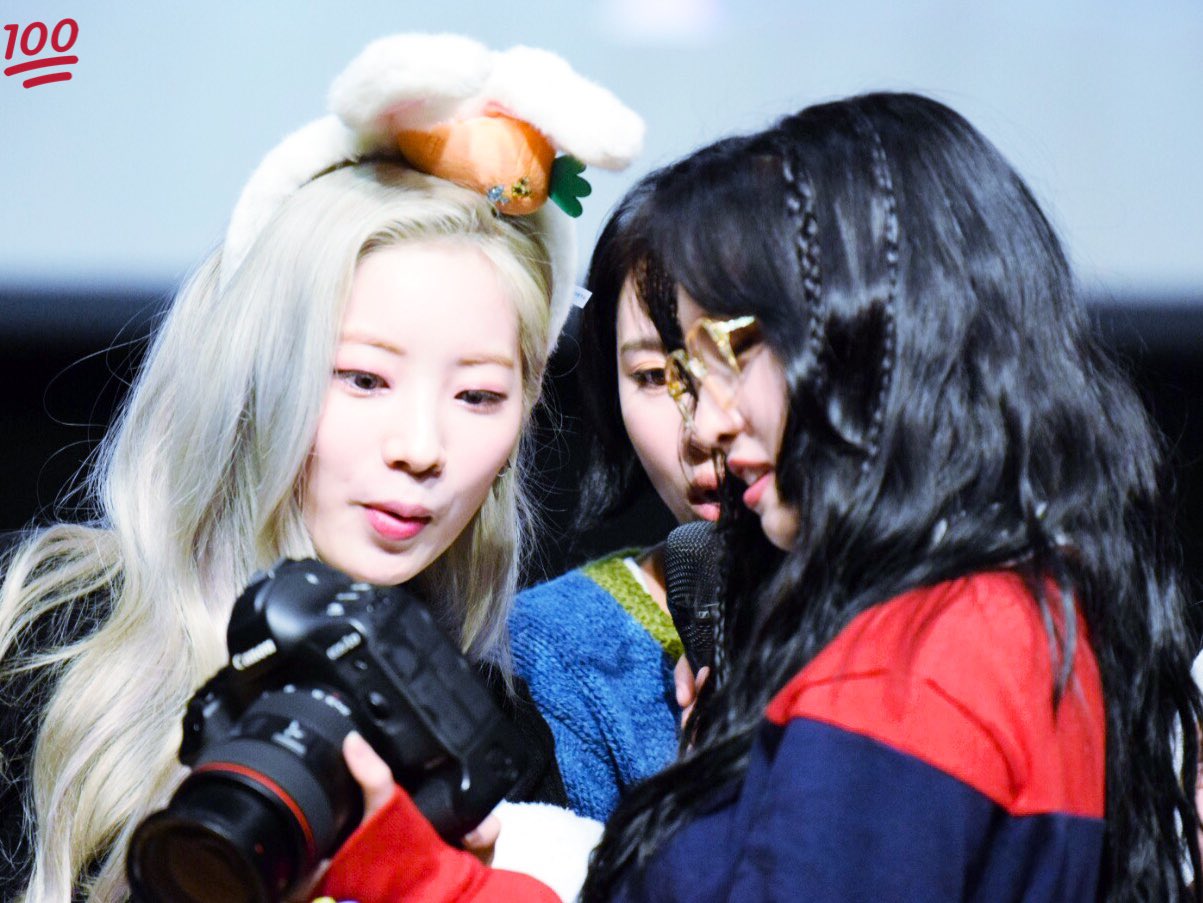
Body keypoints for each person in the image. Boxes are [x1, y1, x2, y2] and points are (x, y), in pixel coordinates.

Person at [314, 91, 1203, 902]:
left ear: (884, 335)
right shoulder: (1021, 614)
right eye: (666, 373)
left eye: (737, 350)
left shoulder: (913, 660)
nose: (707, 421)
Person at [0, 32, 642, 902]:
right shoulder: (45, 637)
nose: (421, 447)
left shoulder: (490, 745)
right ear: (260, 374)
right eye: (363, 379)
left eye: (478, 396)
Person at [511, 183, 720, 821]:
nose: (703, 427)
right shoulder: (562, 646)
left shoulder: (936, 609)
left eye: (737, 359)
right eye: (653, 377)